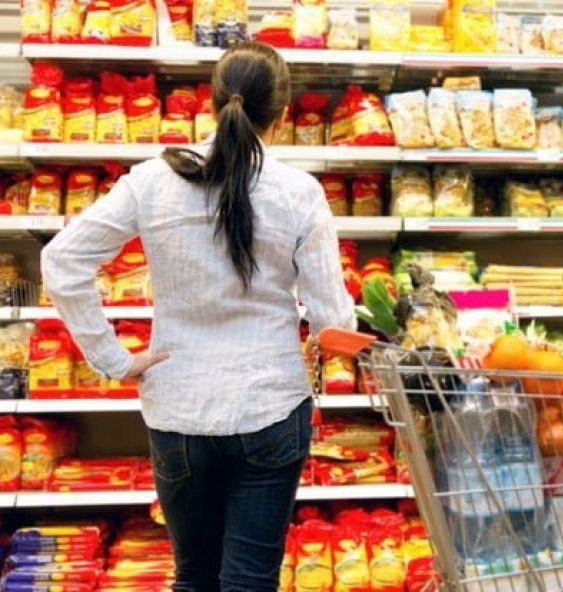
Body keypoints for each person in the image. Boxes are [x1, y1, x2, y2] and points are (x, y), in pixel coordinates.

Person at [41, 42, 355, 592]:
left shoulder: (152, 181)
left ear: (212, 105)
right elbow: (334, 320)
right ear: (280, 119)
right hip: (271, 404)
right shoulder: (300, 194)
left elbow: (61, 261)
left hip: (177, 408)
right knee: (250, 579)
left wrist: (113, 359)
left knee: (193, 575)